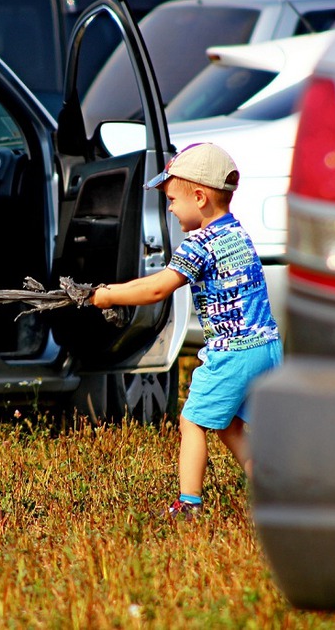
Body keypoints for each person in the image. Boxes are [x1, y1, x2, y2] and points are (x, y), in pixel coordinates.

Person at [90, 142, 281, 518]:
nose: (171, 207)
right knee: (230, 425)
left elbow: (158, 287)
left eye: (173, 199)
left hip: (233, 351)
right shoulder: (236, 233)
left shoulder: (199, 243)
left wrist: (107, 295)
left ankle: (189, 504)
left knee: (191, 420)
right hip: (266, 346)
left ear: (199, 197)